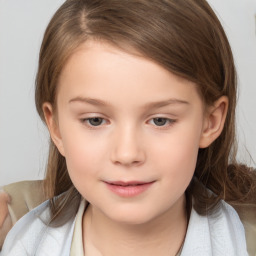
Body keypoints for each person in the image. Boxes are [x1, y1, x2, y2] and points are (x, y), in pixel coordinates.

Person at [1, 0, 256, 255]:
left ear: (210, 122)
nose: (127, 154)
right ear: (55, 126)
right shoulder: (15, 235)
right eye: (95, 120)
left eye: (160, 120)